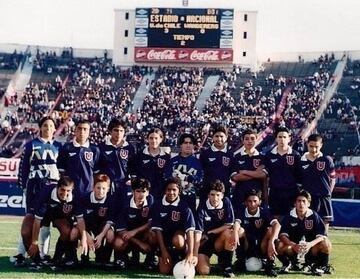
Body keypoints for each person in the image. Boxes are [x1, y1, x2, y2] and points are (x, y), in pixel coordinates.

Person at [16, 116, 61, 267]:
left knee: (46, 223)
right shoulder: (31, 145)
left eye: (51, 126)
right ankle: (21, 253)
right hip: (34, 187)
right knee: (29, 221)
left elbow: (62, 170)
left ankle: (43, 254)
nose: (48, 129)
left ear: (55, 129)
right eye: (45, 126)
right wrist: (23, 187)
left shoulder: (59, 146)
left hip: (53, 189)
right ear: (40, 128)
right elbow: (23, 168)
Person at [28, 176, 88, 270]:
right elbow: (37, 221)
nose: (65, 193)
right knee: (26, 231)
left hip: (56, 213)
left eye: (68, 191)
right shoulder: (45, 193)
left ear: (72, 189)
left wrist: (84, 239)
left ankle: (56, 259)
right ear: (57, 187)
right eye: (62, 190)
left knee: (67, 231)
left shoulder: (76, 196)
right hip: (43, 212)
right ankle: (35, 260)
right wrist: (34, 242)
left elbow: (80, 219)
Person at [277, 190, 333, 275]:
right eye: (299, 201)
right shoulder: (289, 216)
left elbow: (322, 236)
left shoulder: (314, 215)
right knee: (279, 244)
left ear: (308, 204)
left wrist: (310, 244)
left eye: (304, 201)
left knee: (326, 243)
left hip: (310, 248)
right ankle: (289, 263)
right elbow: (282, 235)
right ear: (295, 203)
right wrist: (293, 245)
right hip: (293, 249)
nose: (301, 203)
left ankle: (321, 266)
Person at [151, 177, 197, 275]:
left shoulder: (184, 206)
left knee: (178, 240)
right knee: (164, 271)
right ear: (165, 191)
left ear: (179, 191)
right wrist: (163, 251)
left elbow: (190, 231)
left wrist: (190, 253)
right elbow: (158, 230)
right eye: (168, 190)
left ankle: (181, 256)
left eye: (174, 190)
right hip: (164, 240)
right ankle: (153, 257)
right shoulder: (158, 205)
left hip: (178, 239)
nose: (171, 192)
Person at [232, 189, 280, 277]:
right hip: (248, 245)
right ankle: (240, 260)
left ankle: (269, 265)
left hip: (262, 245)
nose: (252, 204)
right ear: (245, 202)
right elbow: (237, 223)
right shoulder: (242, 211)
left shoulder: (264, 211)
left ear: (259, 202)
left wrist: (271, 241)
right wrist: (235, 234)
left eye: (255, 201)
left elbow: (277, 224)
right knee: (239, 231)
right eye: (249, 201)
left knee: (271, 230)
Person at [194, 180, 236, 278]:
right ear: (208, 195)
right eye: (212, 195)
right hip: (206, 241)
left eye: (218, 195)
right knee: (203, 271)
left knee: (229, 233)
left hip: (220, 240)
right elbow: (198, 232)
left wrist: (211, 232)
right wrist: (195, 254)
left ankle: (227, 265)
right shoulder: (202, 206)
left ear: (222, 195)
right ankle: (202, 262)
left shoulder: (226, 202)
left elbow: (229, 224)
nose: (215, 198)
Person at [113, 177, 157, 270]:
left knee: (153, 234)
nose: (141, 194)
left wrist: (135, 231)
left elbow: (151, 222)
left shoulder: (150, 200)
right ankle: (122, 258)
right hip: (128, 236)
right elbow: (120, 230)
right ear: (133, 191)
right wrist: (139, 243)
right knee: (118, 242)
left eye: (143, 191)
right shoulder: (125, 203)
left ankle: (151, 259)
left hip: (142, 234)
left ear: (148, 192)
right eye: (138, 191)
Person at [299, 134, 336, 233]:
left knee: (324, 233)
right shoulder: (300, 161)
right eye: (311, 146)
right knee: (307, 229)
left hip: (323, 198)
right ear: (307, 144)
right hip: (308, 200)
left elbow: (333, 178)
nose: (314, 149)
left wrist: (329, 192)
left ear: (321, 145)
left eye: (316, 146)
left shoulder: (327, 160)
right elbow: (298, 181)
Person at [263, 126, 301, 219]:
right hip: (275, 193)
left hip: (291, 193)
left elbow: (300, 176)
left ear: (289, 138)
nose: (282, 139)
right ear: (276, 138)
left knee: (291, 219)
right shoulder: (269, 155)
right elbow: (265, 177)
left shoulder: (296, 155)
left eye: (284, 137)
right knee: (276, 219)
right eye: (280, 137)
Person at [57, 120, 100, 198]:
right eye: (79, 128)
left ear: (89, 132)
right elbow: (61, 172)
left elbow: (96, 173)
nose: (82, 132)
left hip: (88, 192)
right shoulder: (66, 148)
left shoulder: (95, 150)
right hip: (69, 193)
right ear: (75, 130)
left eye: (85, 129)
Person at [81, 174, 114, 266]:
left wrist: (101, 235)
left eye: (104, 188)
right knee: (74, 232)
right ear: (93, 187)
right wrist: (87, 236)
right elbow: (79, 221)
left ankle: (105, 259)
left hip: (102, 226)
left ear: (108, 188)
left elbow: (109, 221)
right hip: (85, 227)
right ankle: (83, 257)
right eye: (98, 188)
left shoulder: (111, 200)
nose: (101, 191)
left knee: (110, 234)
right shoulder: (85, 198)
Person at [165, 133, 203, 213]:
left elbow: (200, 180)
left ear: (193, 146)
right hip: (173, 198)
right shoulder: (172, 161)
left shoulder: (198, 163)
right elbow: (166, 177)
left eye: (190, 143)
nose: (188, 145)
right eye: (185, 143)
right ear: (180, 145)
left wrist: (187, 178)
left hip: (190, 199)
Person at [98, 118, 136, 196]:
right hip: (106, 186)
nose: (118, 133)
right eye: (116, 130)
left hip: (124, 185)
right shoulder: (101, 147)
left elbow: (133, 169)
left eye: (121, 131)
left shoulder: (130, 148)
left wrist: (132, 183)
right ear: (110, 131)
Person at [231, 129, 267, 204]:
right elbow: (236, 177)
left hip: (257, 197)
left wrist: (244, 172)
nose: (250, 141)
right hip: (240, 196)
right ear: (242, 140)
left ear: (256, 140)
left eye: (252, 138)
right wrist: (256, 173)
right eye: (247, 139)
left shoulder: (263, 158)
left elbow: (263, 176)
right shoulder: (236, 157)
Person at [200, 125, 234, 200]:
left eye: (221, 136)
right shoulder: (205, 154)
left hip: (224, 191)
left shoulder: (230, 154)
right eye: (216, 136)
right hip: (207, 191)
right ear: (212, 137)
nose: (219, 139)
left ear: (226, 137)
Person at [135, 128, 171, 200]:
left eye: (156, 138)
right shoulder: (139, 155)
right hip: (143, 193)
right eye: (151, 138)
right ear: (147, 139)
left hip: (160, 194)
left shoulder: (166, 157)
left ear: (161, 139)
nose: (153, 141)